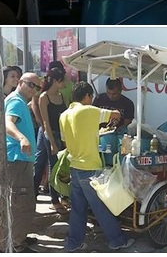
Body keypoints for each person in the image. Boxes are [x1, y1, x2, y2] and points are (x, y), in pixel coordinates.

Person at [59, 82, 135, 252]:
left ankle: (73, 243)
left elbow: (65, 140)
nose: (91, 100)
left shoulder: (64, 115)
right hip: (90, 167)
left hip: (74, 166)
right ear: (87, 96)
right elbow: (115, 114)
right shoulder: (89, 111)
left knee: (78, 209)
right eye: (90, 97)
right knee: (101, 207)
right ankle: (117, 240)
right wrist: (112, 122)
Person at [4, 72, 42, 252]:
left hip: (21, 160)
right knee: (22, 203)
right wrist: (22, 138)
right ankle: (17, 245)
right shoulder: (16, 102)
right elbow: (7, 123)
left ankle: (19, 237)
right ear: (20, 83)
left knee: (22, 201)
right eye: (31, 85)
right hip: (18, 160)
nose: (34, 90)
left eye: (37, 87)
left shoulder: (17, 100)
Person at [33, 67, 68, 214]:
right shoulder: (44, 97)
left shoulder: (61, 96)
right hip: (48, 133)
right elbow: (45, 122)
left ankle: (41, 194)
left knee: (42, 162)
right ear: (55, 81)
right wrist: (53, 143)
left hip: (59, 134)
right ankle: (54, 200)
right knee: (51, 165)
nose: (65, 83)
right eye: (62, 80)